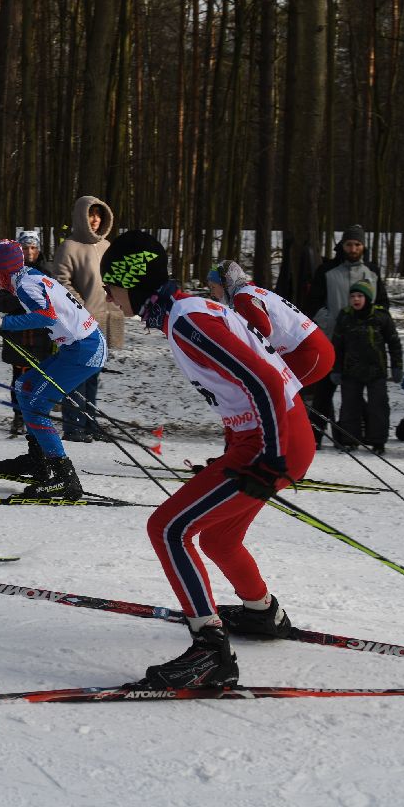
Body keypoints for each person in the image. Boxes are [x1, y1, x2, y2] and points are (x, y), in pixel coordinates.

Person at [102, 230, 315, 689]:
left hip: (272, 441)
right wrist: (237, 456)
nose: (107, 295)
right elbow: (241, 392)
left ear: (134, 282)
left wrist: (270, 458)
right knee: (219, 537)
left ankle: (209, 652)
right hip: (268, 438)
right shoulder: (190, 312)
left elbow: (265, 382)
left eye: (111, 284)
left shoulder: (187, 319)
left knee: (168, 528)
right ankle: (262, 612)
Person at [0, 239, 105, 499]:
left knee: (35, 406)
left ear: (3, 271)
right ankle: (39, 461)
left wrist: (2, 321)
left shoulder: (25, 284)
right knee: (25, 386)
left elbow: (47, 316)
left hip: (84, 350)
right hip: (76, 347)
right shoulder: (27, 277)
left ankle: (65, 478)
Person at [208, 260, 335, 439]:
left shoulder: (242, 297)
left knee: (269, 395)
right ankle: (276, 443)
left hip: (309, 352)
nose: (212, 293)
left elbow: (263, 329)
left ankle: (278, 445)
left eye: (213, 287)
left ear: (225, 283)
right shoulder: (249, 291)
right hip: (310, 349)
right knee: (269, 394)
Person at [304, 226, 388, 440]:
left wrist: (377, 327)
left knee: (354, 393)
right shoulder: (326, 270)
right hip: (331, 339)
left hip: (363, 345)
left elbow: (382, 305)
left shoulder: (372, 271)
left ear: (364, 246)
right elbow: (313, 302)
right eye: (349, 244)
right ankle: (315, 435)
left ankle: (352, 435)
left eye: (357, 244)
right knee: (324, 390)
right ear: (342, 245)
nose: (353, 248)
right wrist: (329, 322)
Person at [48, 195, 121, 440]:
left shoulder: (106, 246)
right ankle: (74, 426)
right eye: (91, 214)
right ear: (81, 216)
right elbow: (60, 282)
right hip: (80, 322)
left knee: (94, 375)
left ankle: (91, 424)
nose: (96, 219)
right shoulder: (69, 247)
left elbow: (113, 279)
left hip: (105, 317)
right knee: (78, 374)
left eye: (99, 215)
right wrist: (81, 307)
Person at [329, 280, 403, 453]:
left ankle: (378, 441)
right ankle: (350, 439)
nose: (356, 299)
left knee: (378, 406)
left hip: (376, 370)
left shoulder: (380, 316)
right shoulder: (345, 316)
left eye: (360, 296)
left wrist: (397, 366)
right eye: (353, 296)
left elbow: (394, 342)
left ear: (368, 298)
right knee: (349, 406)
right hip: (351, 371)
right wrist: (336, 368)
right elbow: (337, 345)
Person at [0, 232, 54, 438]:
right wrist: (24, 301)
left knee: (40, 378)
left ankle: (37, 416)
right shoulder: (7, 272)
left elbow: (54, 302)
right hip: (18, 333)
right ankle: (18, 415)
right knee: (19, 378)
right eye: (25, 248)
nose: (29, 252)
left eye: (33, 248)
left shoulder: (47, 273)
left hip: (42, 335)